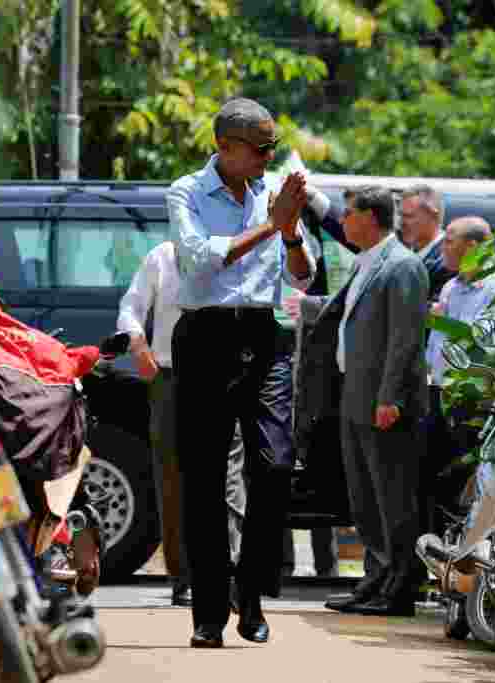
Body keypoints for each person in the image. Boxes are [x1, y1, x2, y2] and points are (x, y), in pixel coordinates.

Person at [168, 98, 315, 649]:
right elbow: (200, 258)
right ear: (225, 147)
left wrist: (292, 232)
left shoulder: (274, 196)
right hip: (205, 337)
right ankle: (208, 612)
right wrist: (269, 228)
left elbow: (302, 279)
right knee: (204, 479)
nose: (267, 157)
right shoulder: (186, 192)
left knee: (275, 466)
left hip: (264, 335)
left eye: (272, 148)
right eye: (259, 148)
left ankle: (249, 593)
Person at [286, 185, 429, 617]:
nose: (342, 221)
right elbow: (343, 315)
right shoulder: (367, 263)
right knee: (365, 500)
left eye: (348, 214)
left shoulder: (402, 265)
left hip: (383, 403)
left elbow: (405, 341)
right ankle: (375, 580)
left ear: (370, 217)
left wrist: (390, 398)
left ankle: (400, 587)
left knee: (393, 499)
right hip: (354, 397)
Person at [116, 241, 247, 607]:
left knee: (228, 478)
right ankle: (185, 577)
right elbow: (131, 306)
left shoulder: (238, 250)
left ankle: (228, 571)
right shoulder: (163, 255)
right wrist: (136, 341)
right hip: (171, 377)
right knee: (173, 479)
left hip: (225, 376)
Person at [422, 217, 495, 533]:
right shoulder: (450, 286)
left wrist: (436, 321)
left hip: (473, 401)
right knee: (433, 482)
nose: (443, 247)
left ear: (473, 246)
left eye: (449, 239)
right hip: (438, 393)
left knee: (465, 481)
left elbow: (485, 341)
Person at [400, 185, 455, 302]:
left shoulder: (448, 262)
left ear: (433, 216)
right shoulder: (403, 255)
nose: (402, 222)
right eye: (401, 215)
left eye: (409, 216)